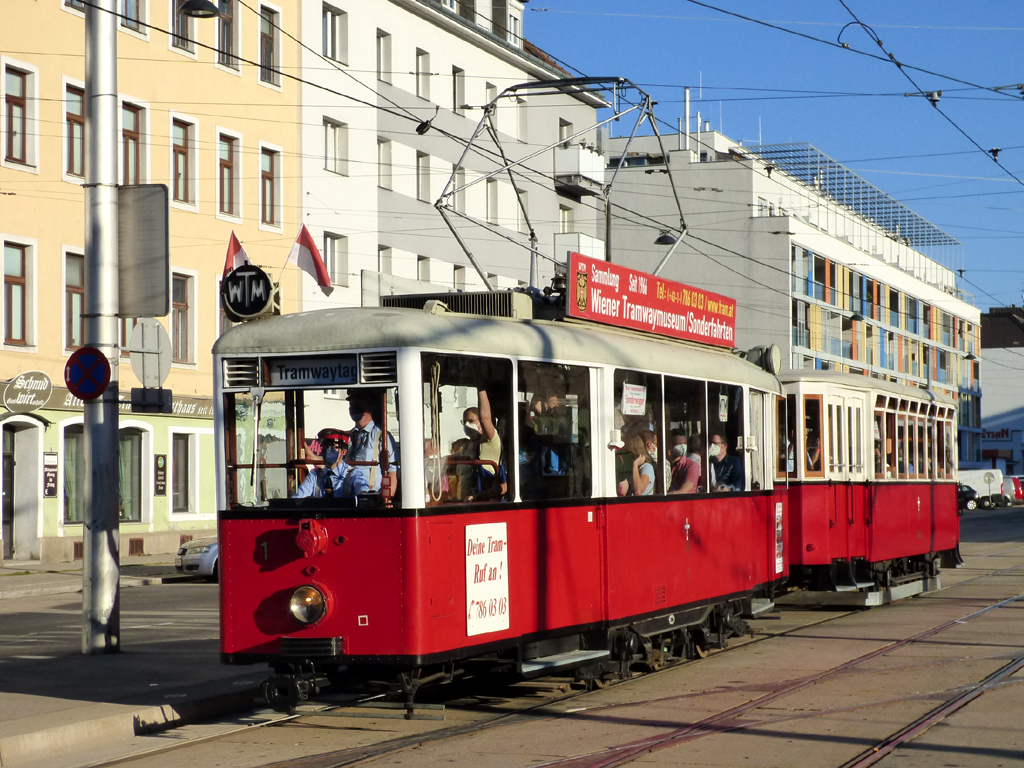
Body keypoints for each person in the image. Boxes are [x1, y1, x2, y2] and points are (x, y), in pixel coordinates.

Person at [348, 393, 399, 496]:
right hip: (350, 499)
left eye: (357, 404)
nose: (353, 408)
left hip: (372, 499)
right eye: (351, 404)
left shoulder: (382, 436)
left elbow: (392, 472)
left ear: (369, 407)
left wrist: (387, 500)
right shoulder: (351, 435)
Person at [294, 429, 368, 498]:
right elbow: (298, 498)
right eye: (324, 447)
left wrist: (363, 493)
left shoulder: (354, 473)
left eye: (332, 448)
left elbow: (362, 488)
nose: (327, 451)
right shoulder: (315, 475)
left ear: (343, 452)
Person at [462, 389, 506, 499]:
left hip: (484, 500)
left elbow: (485, 418)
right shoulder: (466, 445)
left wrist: (481, 388)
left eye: (471, 421)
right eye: (464, 422)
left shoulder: (490, 441)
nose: (467, 425)